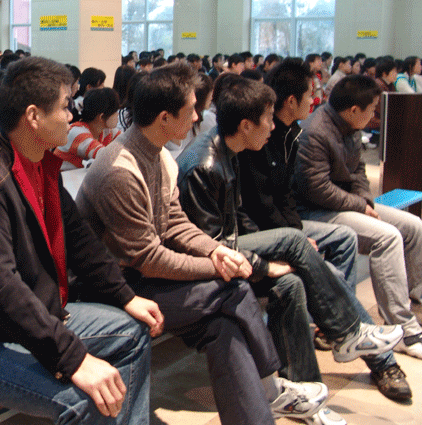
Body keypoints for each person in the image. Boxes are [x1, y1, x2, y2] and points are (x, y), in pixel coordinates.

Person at [77, 63, 329, 424]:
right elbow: (148, 258)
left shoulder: (159, 155)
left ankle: (262, 407)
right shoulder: (119, 170)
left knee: (222, 328)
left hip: (143, 277)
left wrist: (216, 250)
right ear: (164, 118)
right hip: (116, 289)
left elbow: (175, 222)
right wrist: (217, 265)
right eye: (191, 109)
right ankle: (273, 387)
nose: (198, 116)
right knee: (234, 290)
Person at [0, 56, 163, 425]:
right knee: (83, 399)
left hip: (32, 318)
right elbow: (0, 289)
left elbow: (82, 242)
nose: (71, 116)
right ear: (34, 116)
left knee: (133, 334)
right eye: (66, 106)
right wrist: (75, 359)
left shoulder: (41, 165)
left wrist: (125, 296)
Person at [176, 76, 402, 401]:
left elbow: (239, 217)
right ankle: (349, 332)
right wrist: (265, 265)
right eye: (267, 118)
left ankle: (304, 388)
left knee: (291, 282)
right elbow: (212, 247)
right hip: (210, 261)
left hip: (231, 247)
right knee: (295, 243)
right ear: (245, 125)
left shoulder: (229, 148)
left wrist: (272, 254)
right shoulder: (205, 165)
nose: (271, 126)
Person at [237, 60, 411, 401]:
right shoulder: (249, 145)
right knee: (325, 268)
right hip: (258, 237)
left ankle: (333, 328)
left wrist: (298, 234)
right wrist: (297, 240)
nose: (315, 100)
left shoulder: (287, 134)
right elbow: (255, 211)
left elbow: (283, 199)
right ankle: (374, 354)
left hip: (278, 229)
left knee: (343, 240)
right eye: (310, 94)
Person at [293, 74, 422, 359]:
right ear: (353, 110)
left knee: (414, 226)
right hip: (317, 211)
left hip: (345, 204)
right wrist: (360, 206)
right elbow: (316, 189)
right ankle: (403, 327)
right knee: (387, 237)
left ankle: (412, 299)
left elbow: (358, 171)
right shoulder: (316, 132)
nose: (375, 115)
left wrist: (365, 200)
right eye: (372, 109)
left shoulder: (350, 126)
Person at [54, 87, 120, 169]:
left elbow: (127, 143)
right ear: (101, 117)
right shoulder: (77, 133)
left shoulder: (107, 130)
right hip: (58, 176)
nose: (117, 115)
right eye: (115, 112)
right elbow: (105, 156)